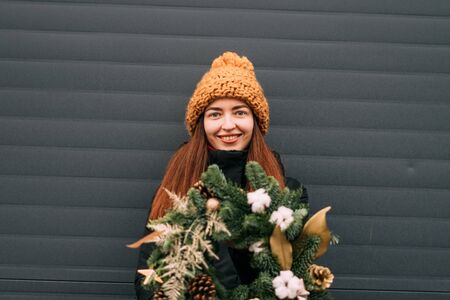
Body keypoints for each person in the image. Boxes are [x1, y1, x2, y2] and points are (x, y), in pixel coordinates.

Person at [134, 51, 308, 299]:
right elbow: (147, 281)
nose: (228, 125)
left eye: (239, 112)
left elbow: (297, 279)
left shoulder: (286, 195)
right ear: (201, 124)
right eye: (215, 113)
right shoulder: (175, 191)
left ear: (255, 121)